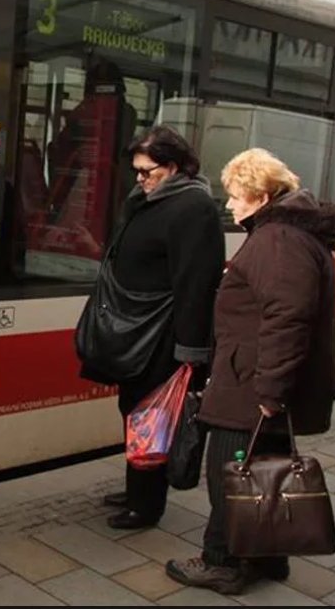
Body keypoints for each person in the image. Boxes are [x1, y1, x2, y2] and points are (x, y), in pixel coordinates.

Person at [165, 148, 335, 595]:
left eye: (236, 194)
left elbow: (288, 317)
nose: (229, 204)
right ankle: (266, 557)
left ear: (261, 195)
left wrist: (269, 389)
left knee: (232, 476)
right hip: (257, 380)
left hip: (250, 388)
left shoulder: (278, 239)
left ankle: (222, 561)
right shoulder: (287, 233)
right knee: (263, 472)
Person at [81, 125, 225, 530]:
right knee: (133, 408)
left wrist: (191, 352)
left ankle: (146, 505)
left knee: (151, 416)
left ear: (175, 167)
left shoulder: (193, 208)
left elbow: (196, 284)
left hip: (161, 336)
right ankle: (136, 487)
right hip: (137, 328)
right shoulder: (150, 199)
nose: (141, 179)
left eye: (149, 172)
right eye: (137, 171)